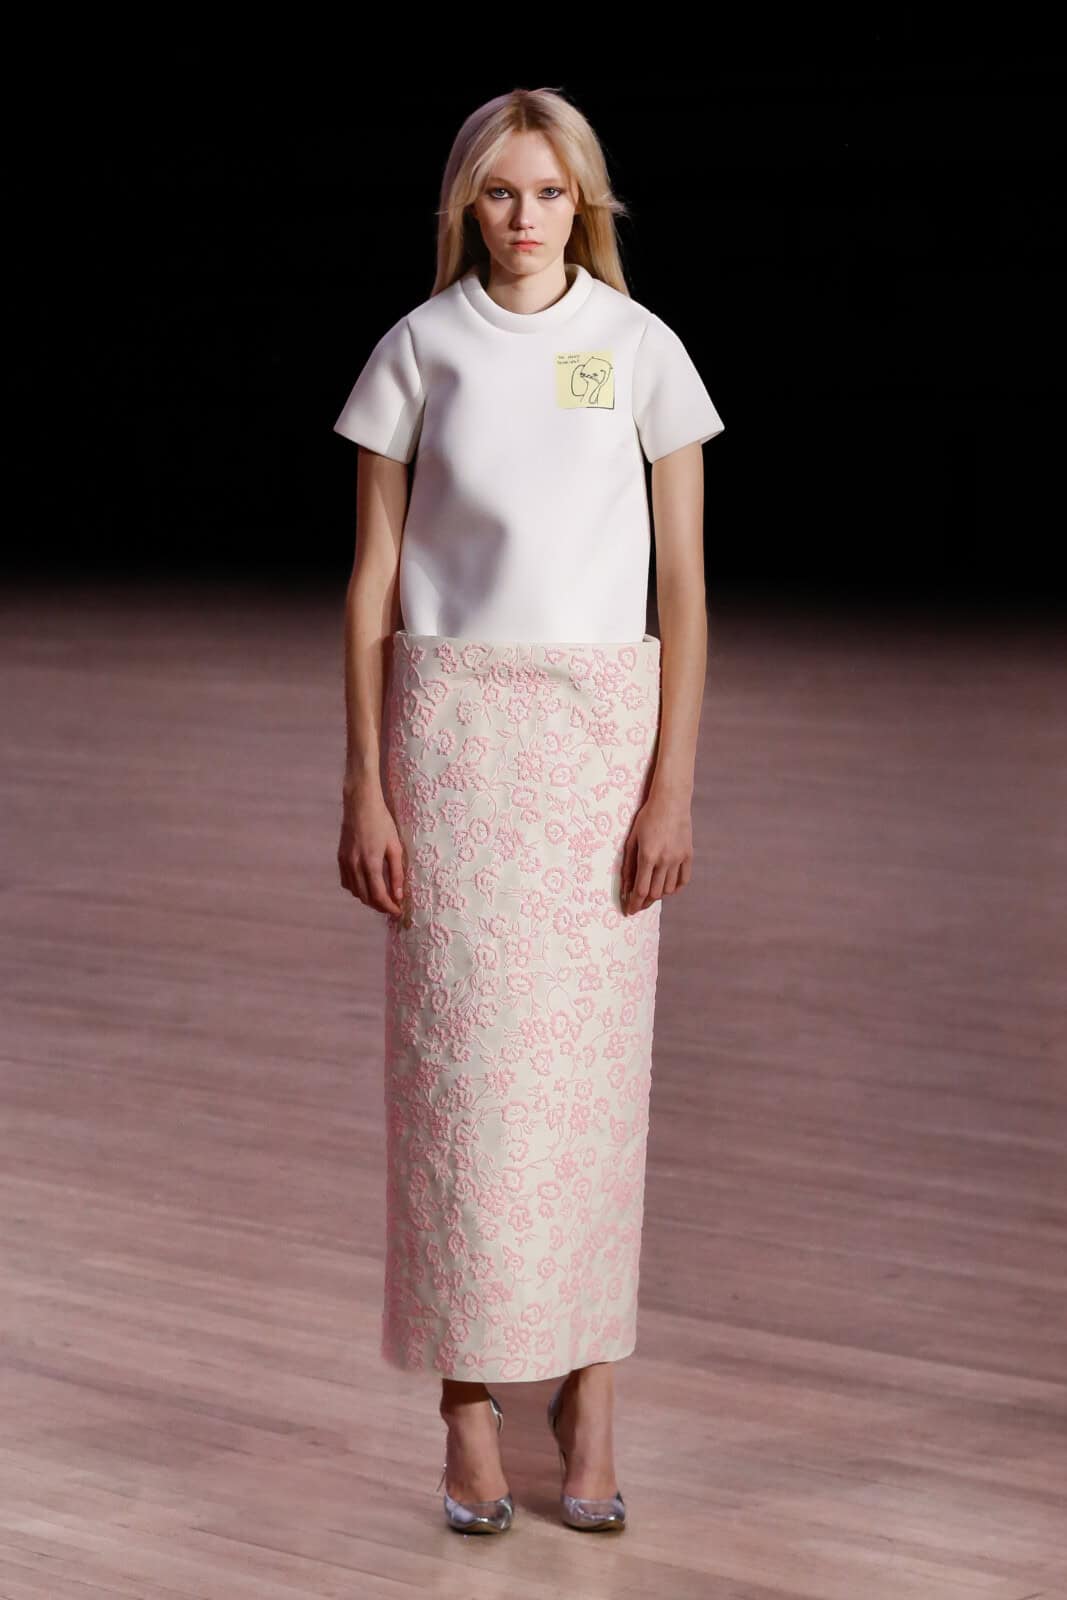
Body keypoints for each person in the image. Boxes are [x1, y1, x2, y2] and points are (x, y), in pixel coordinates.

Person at [334, 85, 725, 1534]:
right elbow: (372, 584)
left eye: (551, 193)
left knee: (592, 1089)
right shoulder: (418, 350)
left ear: (586, 206)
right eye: (499, 192)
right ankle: (464, 1408)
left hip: (596, 747)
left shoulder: (641, 351)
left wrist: (672, 779)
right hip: (451, 743)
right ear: (465, 206)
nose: (524, 219)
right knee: (457, 1084)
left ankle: (591, 1391)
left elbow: (682, 591)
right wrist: (364, 779)